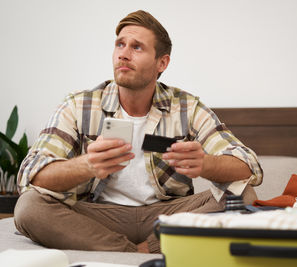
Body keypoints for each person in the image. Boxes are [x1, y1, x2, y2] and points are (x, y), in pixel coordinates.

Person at [14, 10, 263, 253]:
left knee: (244, 195)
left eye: (136, 47)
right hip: (99, 216)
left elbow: (248, 166)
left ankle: (147, 246)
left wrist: (205, 164)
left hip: (168, 215)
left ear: (161, 62)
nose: (123, 54)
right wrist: (87, 165)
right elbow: (31, 173)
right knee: (29, 207)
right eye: (120, 44)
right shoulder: (79, 105)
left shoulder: (187, 107)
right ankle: (133, 251)